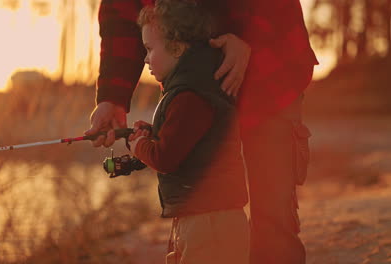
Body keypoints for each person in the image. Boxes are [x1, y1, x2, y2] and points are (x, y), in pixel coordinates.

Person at [86, 0, 318, 263]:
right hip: (193, 80)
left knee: (273, 222)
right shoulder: (187, 96)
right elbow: (122, 14)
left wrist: (246, 38)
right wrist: (112, 98)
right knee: (200, 214)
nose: (145, 57)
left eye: (149, 49)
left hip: (268, 70)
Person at [127, 1, 249, 263]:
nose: (145, 58)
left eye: (149, 49)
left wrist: (139, 147)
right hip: (204, 216)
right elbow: (185, 141)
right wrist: (151, 134)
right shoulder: (192, 88)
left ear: (178, 47)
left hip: (209, 220)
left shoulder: (190, 96)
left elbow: (165, 158)